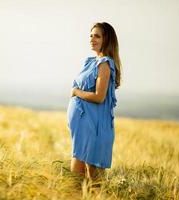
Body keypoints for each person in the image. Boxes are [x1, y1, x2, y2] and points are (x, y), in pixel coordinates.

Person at [66, 22, 121, 183]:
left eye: (97, 36)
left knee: (93, 178)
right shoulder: (89, 62)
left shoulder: (104, 64)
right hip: (83, 127)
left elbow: (99, 97)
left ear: (107, 40)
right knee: (77, 176)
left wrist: (76, 92)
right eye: (91, 35)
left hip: (93, 127)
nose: (92, 39)